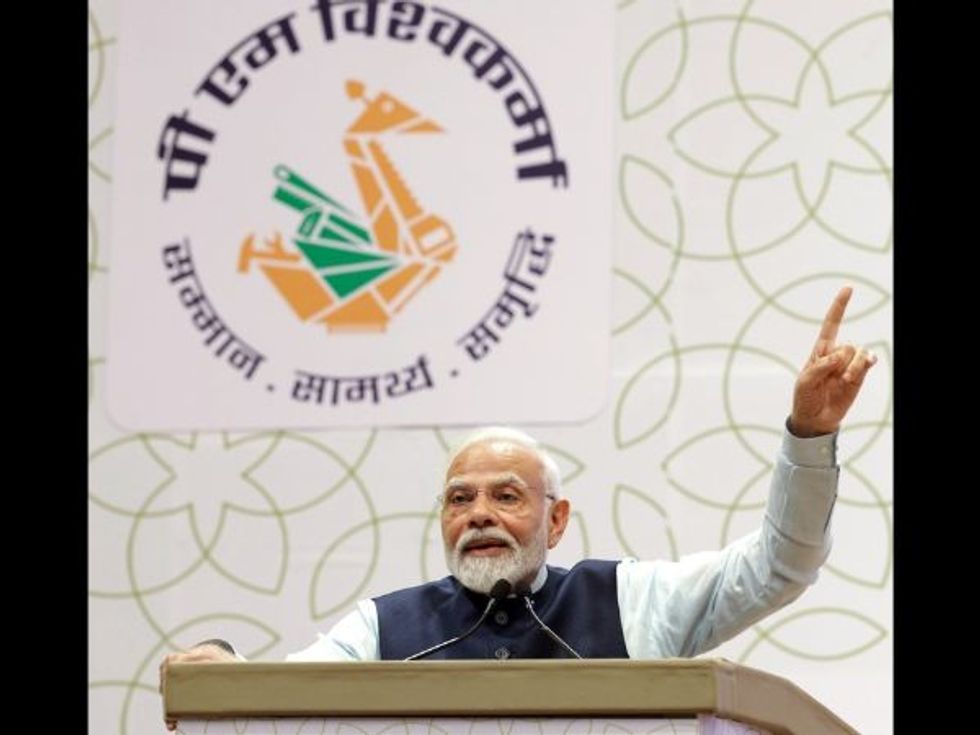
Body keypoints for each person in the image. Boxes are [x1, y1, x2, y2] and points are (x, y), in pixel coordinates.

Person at [160, 287, 876, 719]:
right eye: (459, 499)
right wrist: (223, 666)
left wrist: (809, 434)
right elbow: (281, 695)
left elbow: (780, 565)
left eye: (506, 496)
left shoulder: (631, 600)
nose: (478, 514)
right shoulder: (386, 627)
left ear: (556, 519)